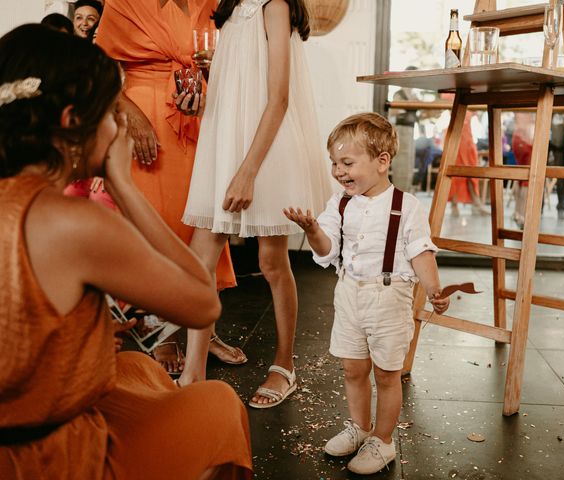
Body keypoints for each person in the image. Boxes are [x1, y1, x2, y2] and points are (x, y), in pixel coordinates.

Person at [0, 24, 252, 479]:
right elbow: (202, 301)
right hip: (42, 456)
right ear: (72, 121)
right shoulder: (73, 221)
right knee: (217, 405)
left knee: (138, 367)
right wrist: (123, 183)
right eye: (111, 112)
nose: (119, 125)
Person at [180, 0, 334, 406]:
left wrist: (248, 170)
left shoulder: (275, 5)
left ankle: (284, 367)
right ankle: (192, 372)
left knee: (271, 261)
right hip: (226, 140)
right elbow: (239, 78)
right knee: (200, 258)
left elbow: (279, 97)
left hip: (264, 146)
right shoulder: (229, 10)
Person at [283, 112, 450, 475]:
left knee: (387, 374)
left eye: (347, 162)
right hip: (348, 295)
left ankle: (383, 440)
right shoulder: (340, 203)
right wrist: (312, 228)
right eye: (334, 163)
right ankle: (359, 428)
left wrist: (434, 289)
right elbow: (326, 250)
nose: (339, 171)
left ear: (382, 161)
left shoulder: (406, 206)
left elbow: (421, 251)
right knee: (353, 369)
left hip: (389, 299)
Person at [96, 0, 244, 375]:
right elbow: (97, 71)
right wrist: (129, 114)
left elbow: (219, 62)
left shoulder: (210, 3)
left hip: (197, 120)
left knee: (200, 226)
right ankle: (162, 335)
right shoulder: (123, 3)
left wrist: (206, 88)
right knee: (158, 222)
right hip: (143, 117)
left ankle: (201, 330)